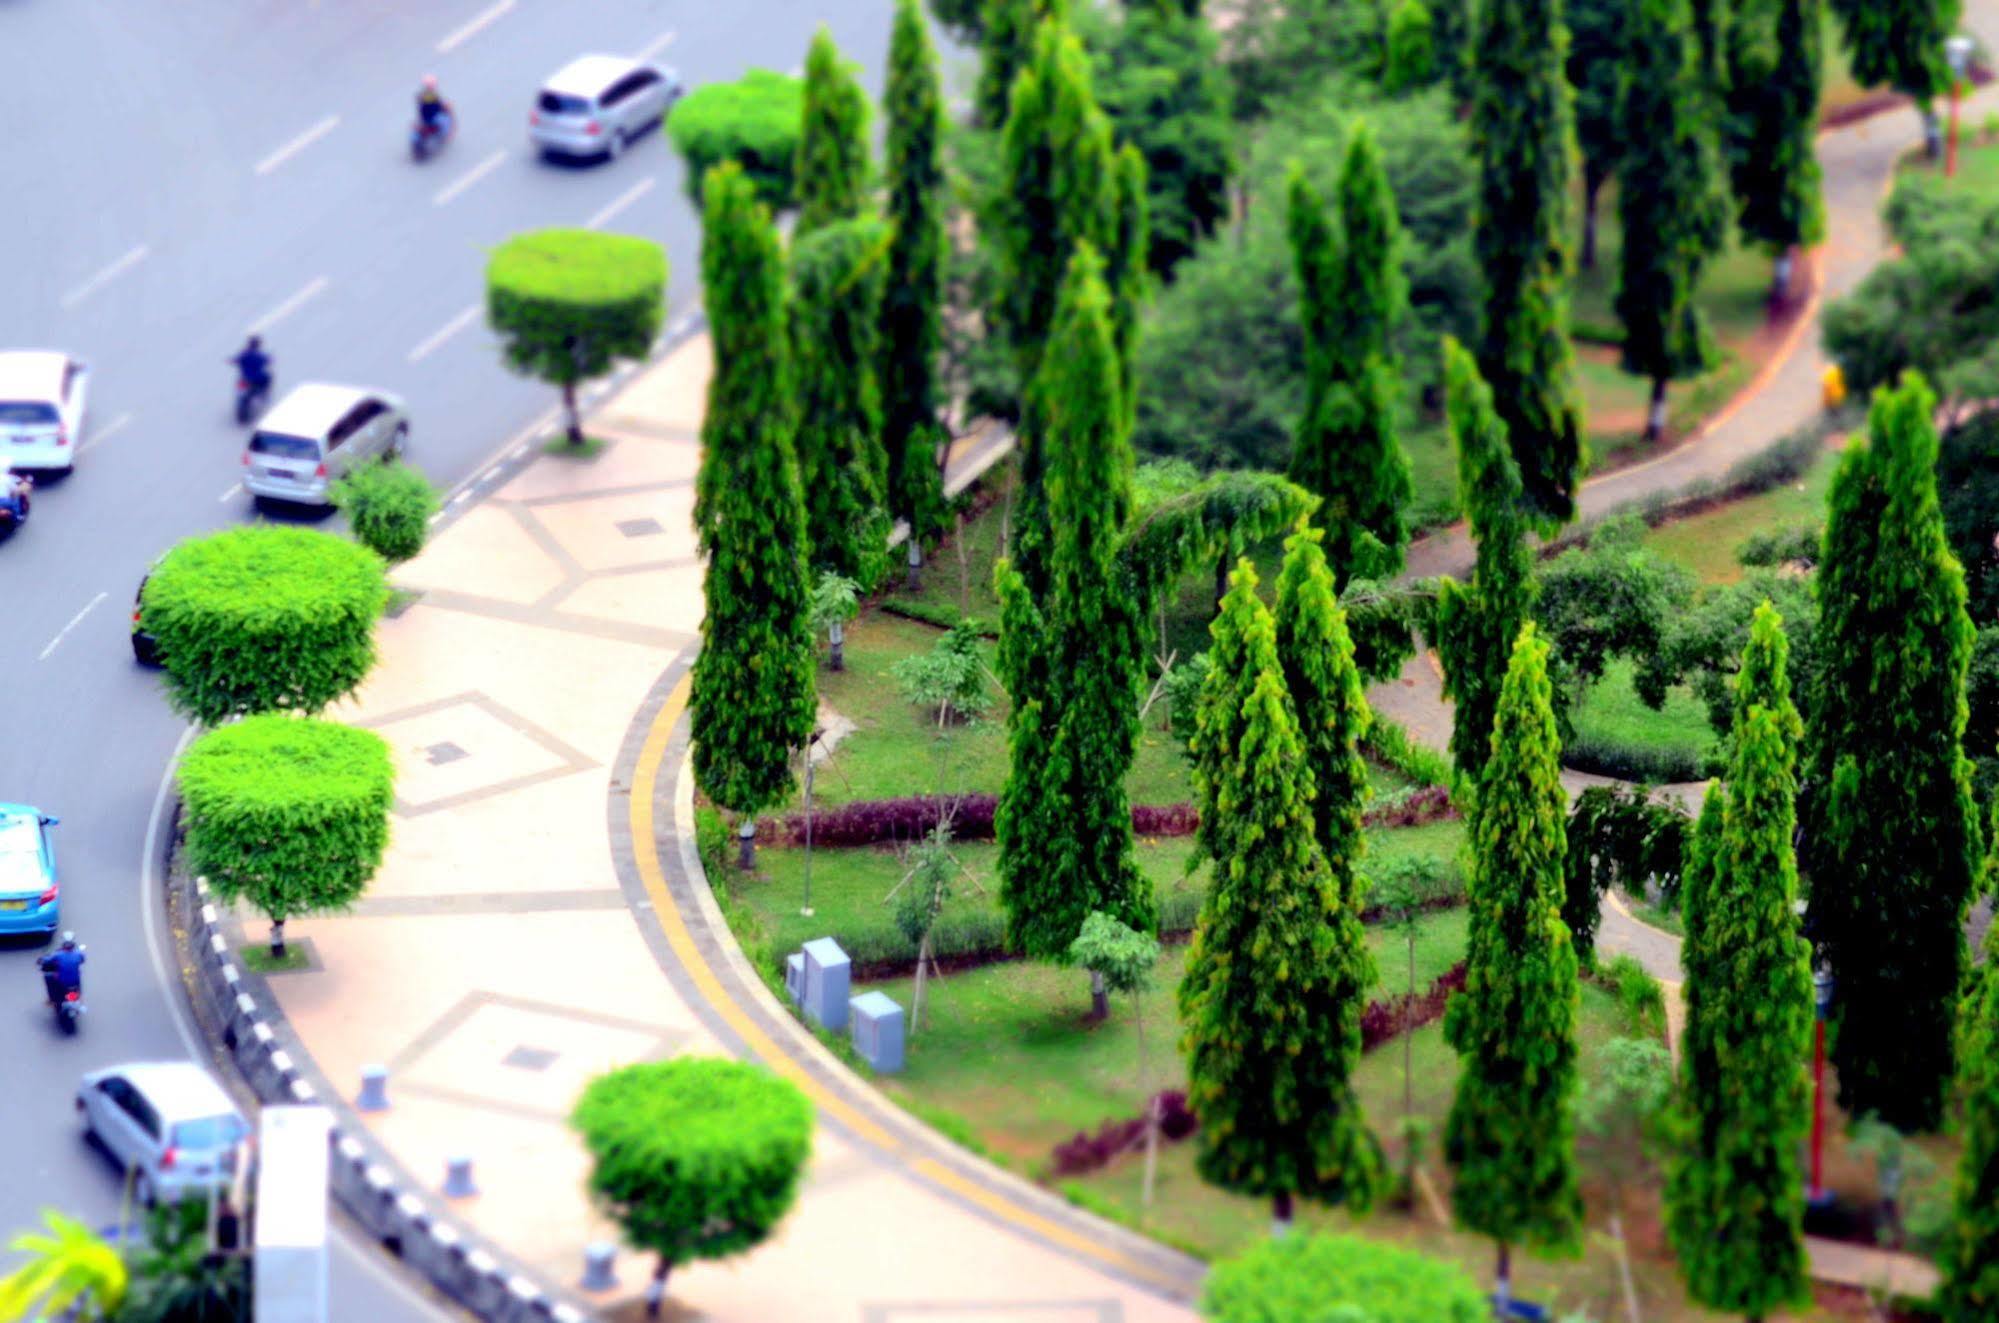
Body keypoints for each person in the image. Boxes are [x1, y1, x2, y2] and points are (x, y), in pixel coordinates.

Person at [38, 932, 84, 1006]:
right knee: (78, 974)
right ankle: (78, 996)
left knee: (48, 977)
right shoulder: (78, 954)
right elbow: (82, 960)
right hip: (75, 982)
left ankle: (51, 999)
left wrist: (41, 960)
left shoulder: (58, 955)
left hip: (62, 982)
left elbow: (47, 960)